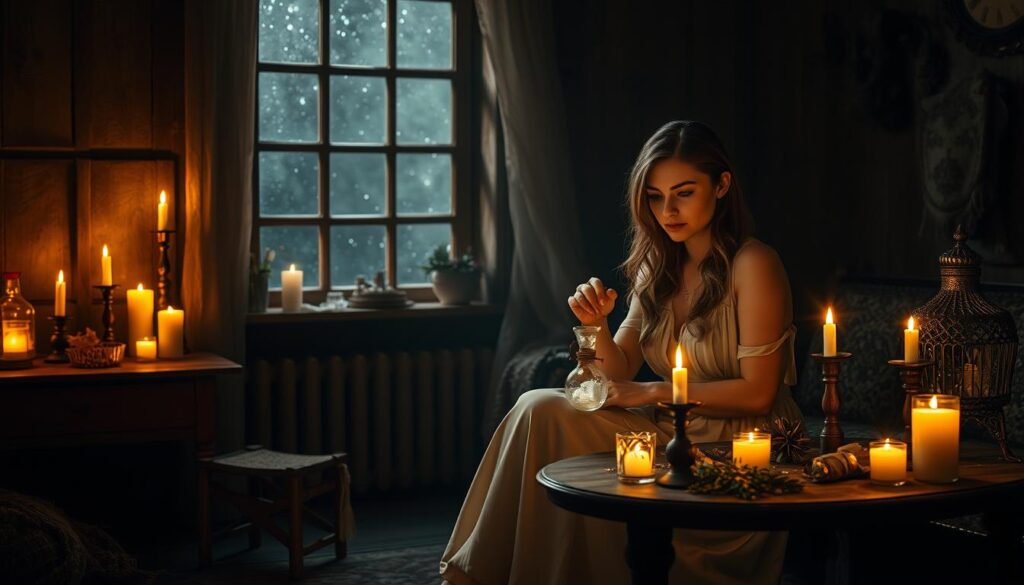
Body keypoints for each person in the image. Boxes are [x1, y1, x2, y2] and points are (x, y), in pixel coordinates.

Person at [440, 120, 803, 585]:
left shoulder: (754, 263)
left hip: (741, 448)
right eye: (655, 196)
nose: (667, 210)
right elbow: (617, 370)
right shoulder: (657, 264)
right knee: (540, 406)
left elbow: (758, 393)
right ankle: (482, 576)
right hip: (669, 435)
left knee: (547, 409)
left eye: (684, 193)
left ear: (722, 185)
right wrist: (596, 327)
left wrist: (646, 392)